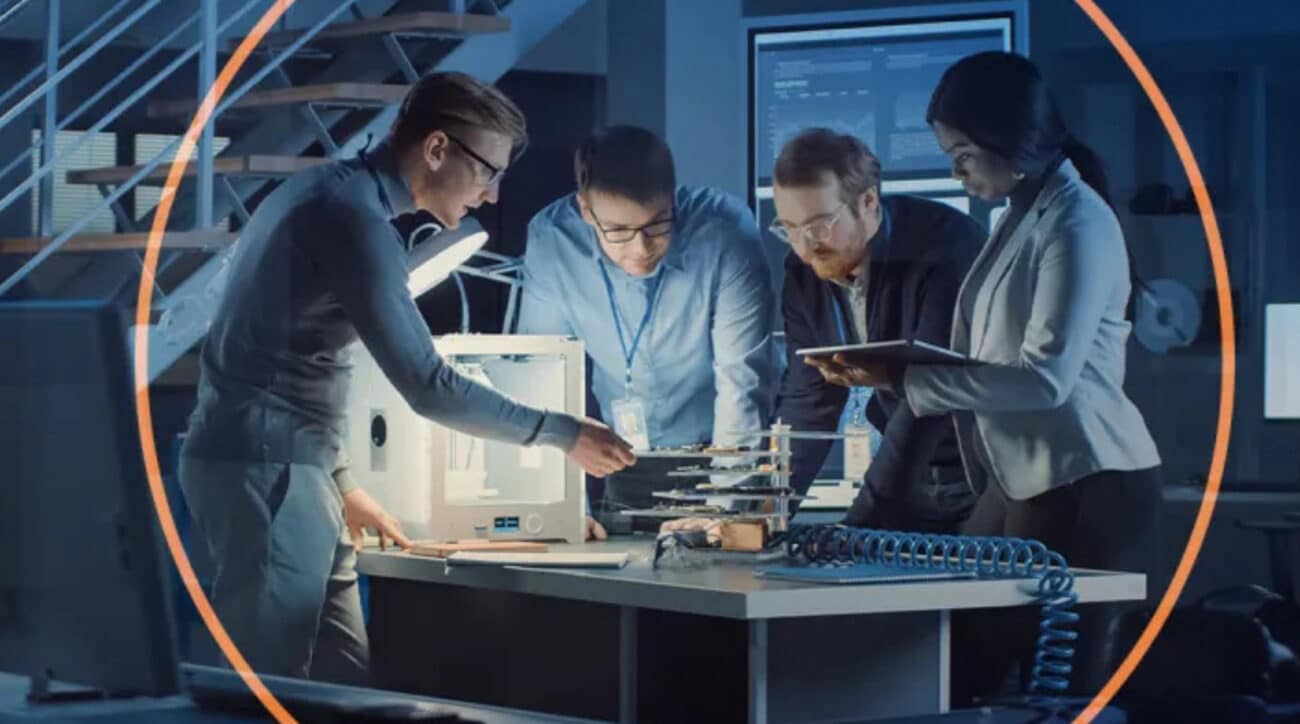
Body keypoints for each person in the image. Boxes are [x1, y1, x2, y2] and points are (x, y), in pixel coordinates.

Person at [178, 72, 635, 685]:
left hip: (294, 465)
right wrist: (564, 433)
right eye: (487, 172)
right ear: (437, 148)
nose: (492, 196)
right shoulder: (353, 219)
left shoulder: (329, 191)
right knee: (268, 689)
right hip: (267, 467)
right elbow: (427, 385)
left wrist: (341, 480)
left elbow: (293, 353)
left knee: (346, 679)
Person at [825, 51, 1162, 703]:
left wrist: (910, 382)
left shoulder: (1077, 220)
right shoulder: (1017, 215)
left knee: (1055, 689)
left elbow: (1044, 381)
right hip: (1021, 478)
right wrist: (898, 371)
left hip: (1090, 481)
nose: (955, 171)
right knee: (958, 664)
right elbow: (988, 355)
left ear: (1012, 142)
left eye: (963, 155)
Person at [517, 125, 775, 534]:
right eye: (618, 231)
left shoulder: (725, 231)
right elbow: (543, 376)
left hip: (724, 453)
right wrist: (565, 506)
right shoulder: (552, 240)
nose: (641, 249)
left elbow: (741, 379)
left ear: (672, 199)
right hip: (620, 459)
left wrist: (725, 507)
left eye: (657, 224)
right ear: (585, 209)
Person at [770, 128, 983, 532]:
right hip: (909, 475)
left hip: (982, 474)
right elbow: (808, 400)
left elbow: (927, 400)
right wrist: (764, 514)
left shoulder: (946, 246)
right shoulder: (804, 269)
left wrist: (857, 527)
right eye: (790, 228)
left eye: (819, 225)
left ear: (868, 202)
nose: (805, 246)